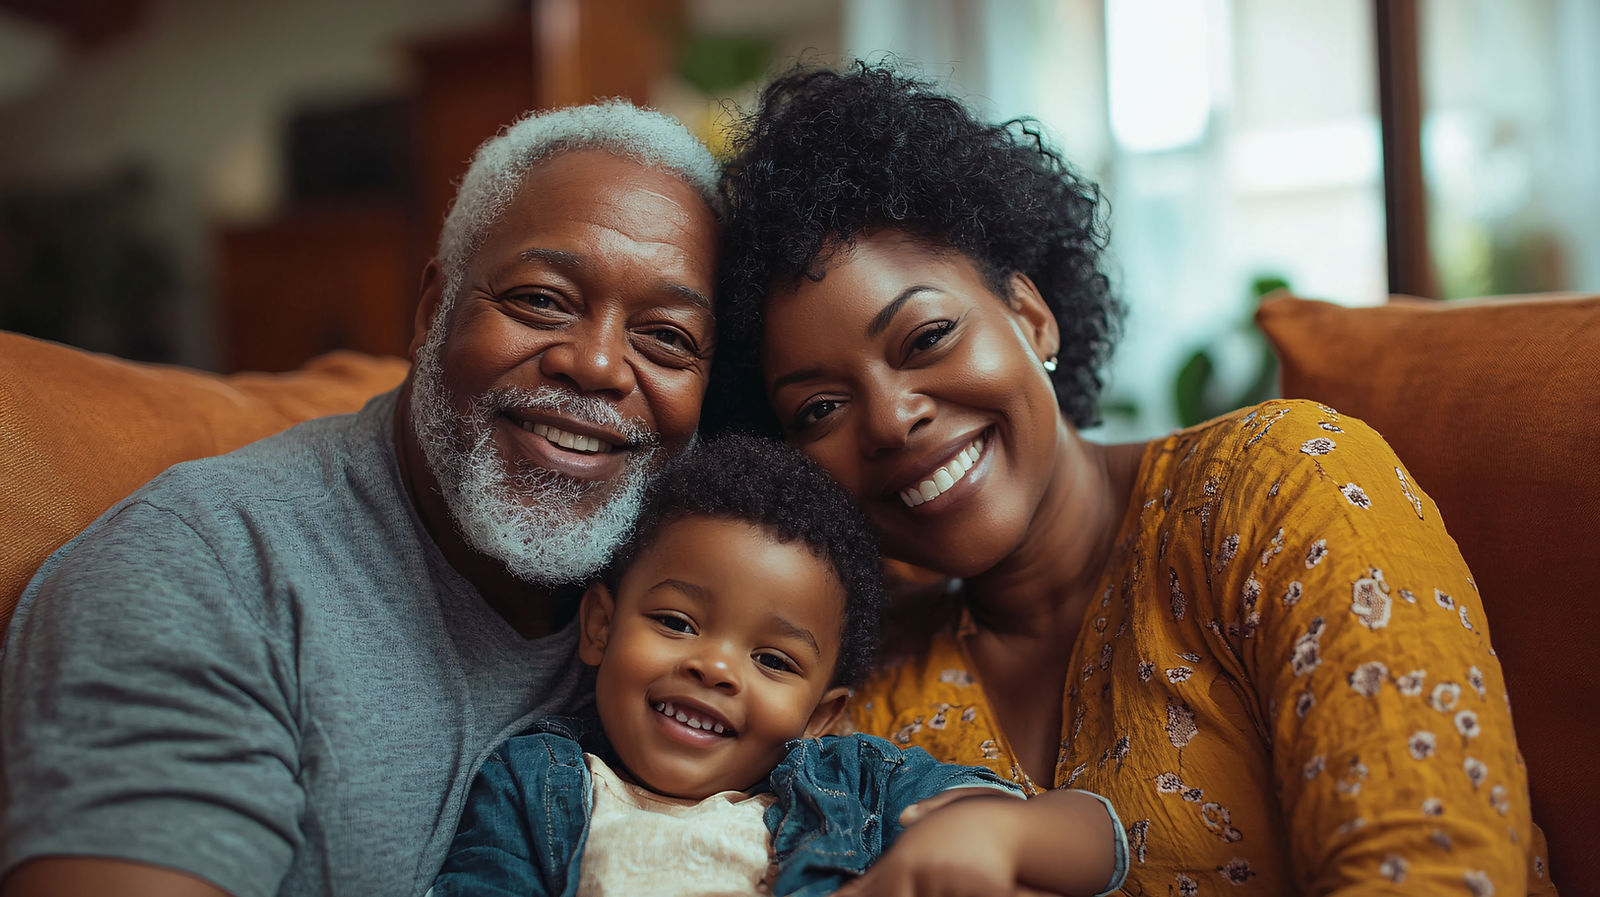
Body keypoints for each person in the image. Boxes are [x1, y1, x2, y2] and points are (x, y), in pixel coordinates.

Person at [710, 63, 1556, 896]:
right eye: (820, 407)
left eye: (927, 337)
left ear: (1032, 316)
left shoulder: (1283, 485)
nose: (890, 418)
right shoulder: (856, 681)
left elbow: (1440, 870)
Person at [1, 102, 722, 897]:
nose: (597, 365)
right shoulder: (197, 577)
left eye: (667, 337)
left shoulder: (706, 591)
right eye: (542, 299)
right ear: (431, 313)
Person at [432, 433, 1129, 897]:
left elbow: (1098, 839)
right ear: (601, 626)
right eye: (677, 622)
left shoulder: (860, 788)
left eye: (772, 659)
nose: (716, 667)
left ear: (821, 713)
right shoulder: (533, 788)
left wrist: (997, 829)